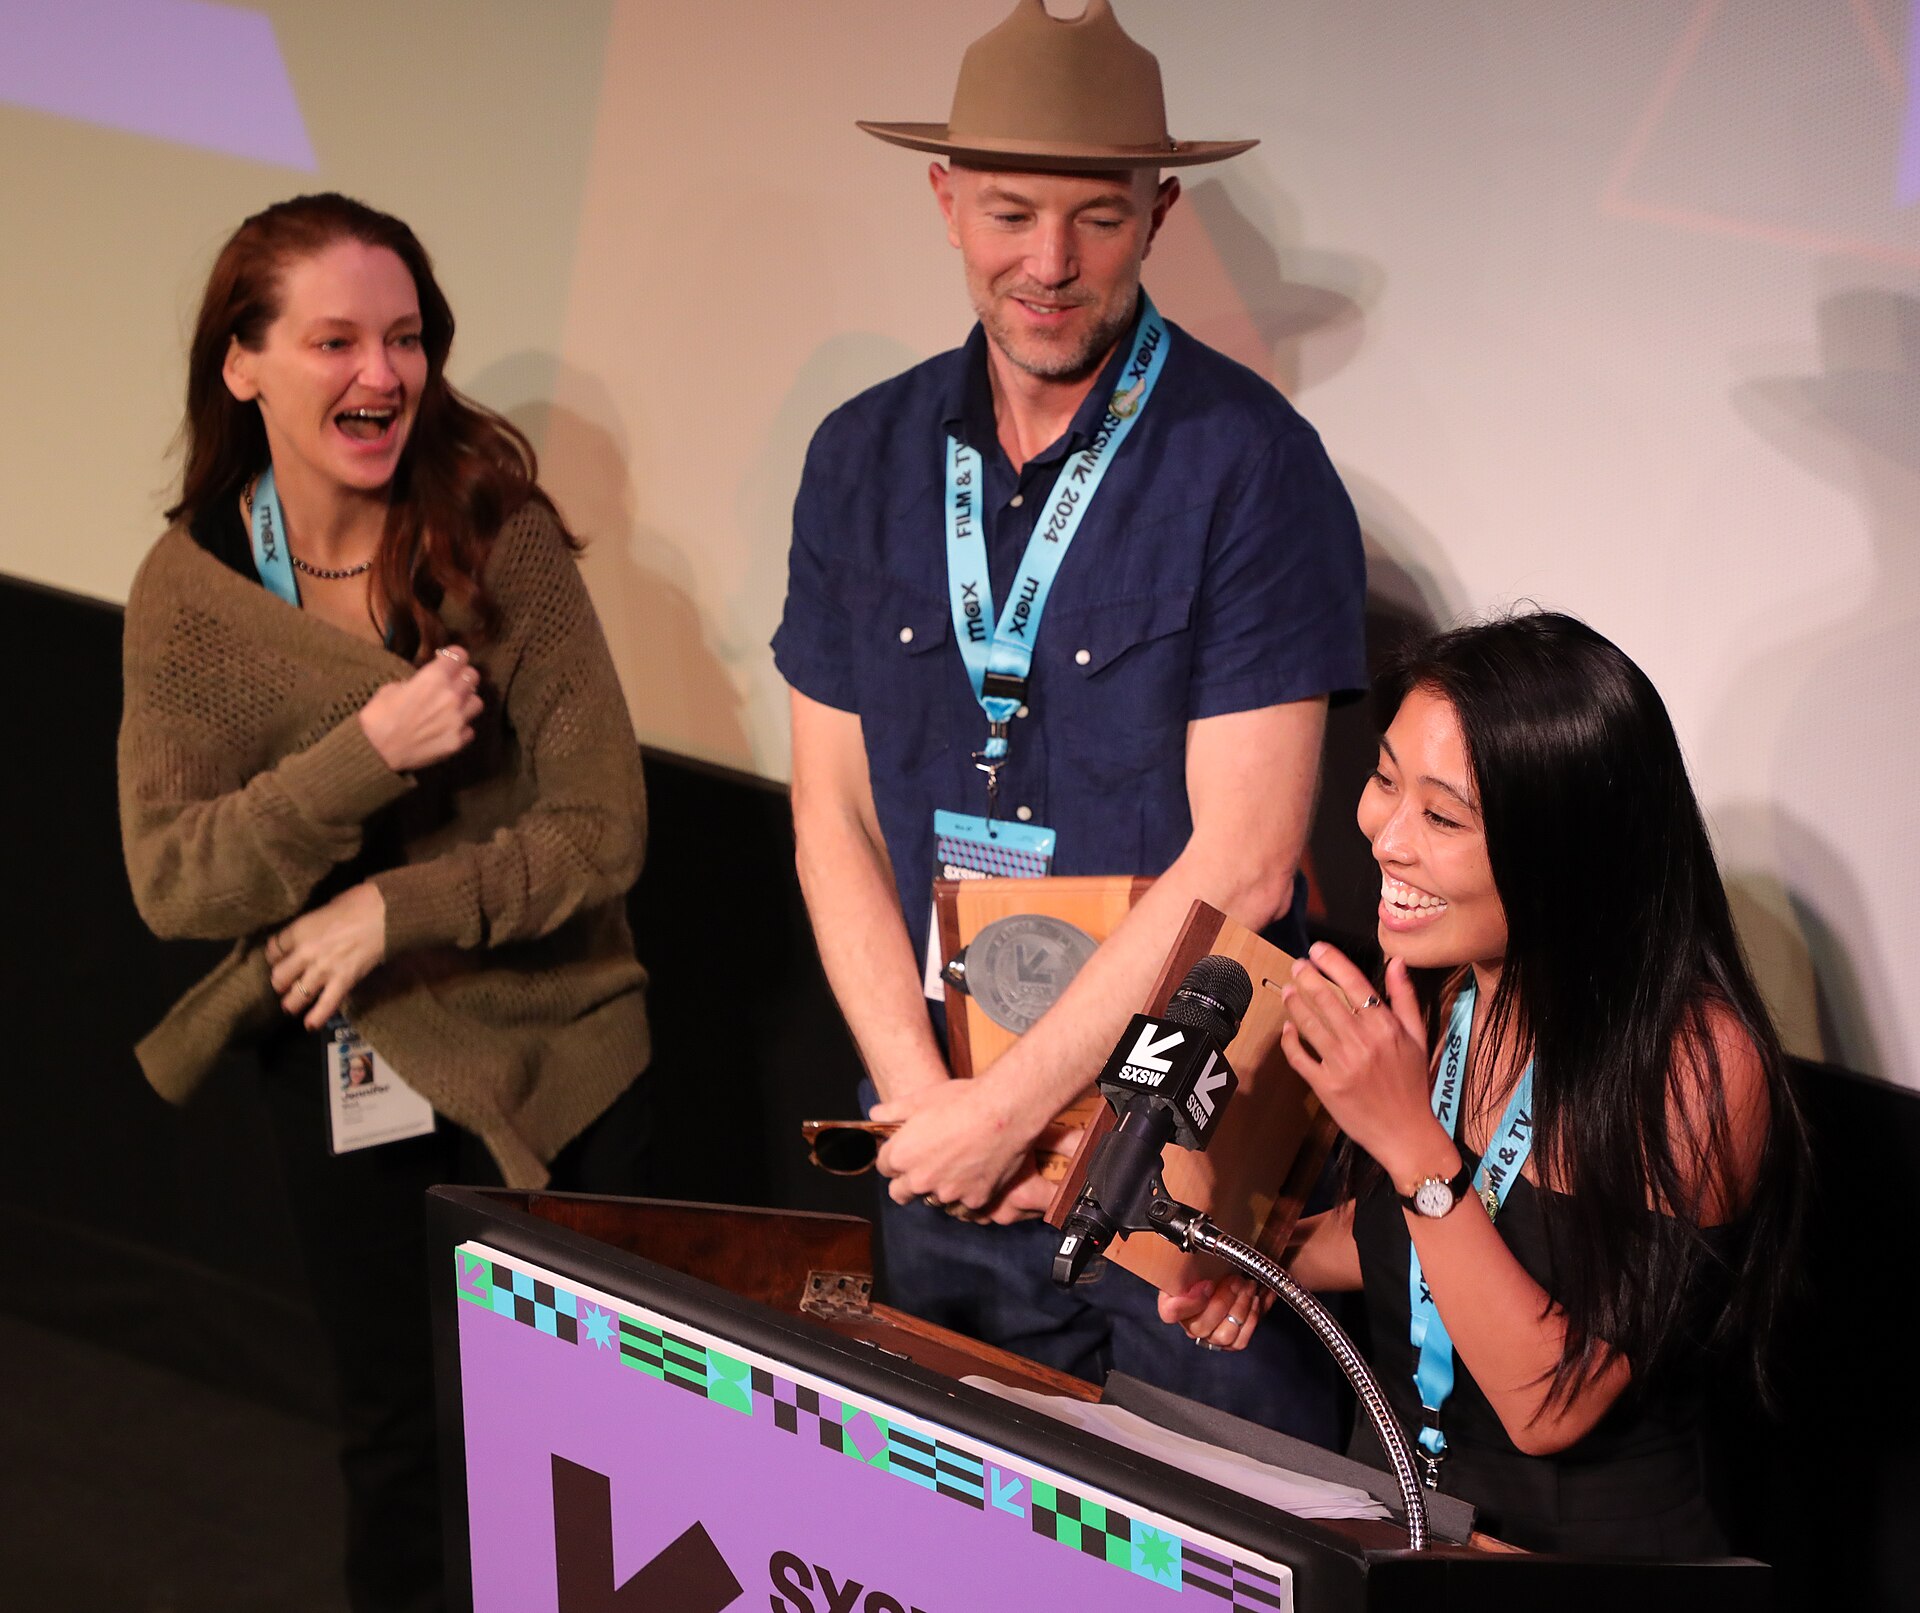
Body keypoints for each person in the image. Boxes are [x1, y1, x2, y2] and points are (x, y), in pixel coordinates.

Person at [772, 0, 1365, 1441]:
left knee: (1213, 1554)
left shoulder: (1252, 467)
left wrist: (1015, 1109)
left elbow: (1247, 857)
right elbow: (831, 816)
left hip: (1169, 1167)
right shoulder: (861, 456)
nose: (1048, 264)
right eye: (1009, 210)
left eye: (1095, 218)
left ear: (1159, 213)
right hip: (939, 1154)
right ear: (944, 200)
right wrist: (931, 1111)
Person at [118, 194, 654, 1611]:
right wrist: (368, 755)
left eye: (407, 338)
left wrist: (391, 913)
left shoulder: (498, 534)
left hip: (557, 1048)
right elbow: (178, 880)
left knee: (584, 1453)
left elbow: (604, 833)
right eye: (337, 339)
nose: (382, 374)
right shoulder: (193, 593)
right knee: (398, 1445)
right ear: (243, 363)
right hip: (344, 1073)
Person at [1161, 611, 1809, 1554]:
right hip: (1393, 1530)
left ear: (1565, 848)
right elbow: (1419, 1231)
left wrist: (1410, 1140)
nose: (1385, 836)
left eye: (1443, 815)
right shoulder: (1457, 987)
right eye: (1385, 779)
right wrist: (1258, 1262)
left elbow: (1552, 1403)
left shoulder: (1699, 1061)